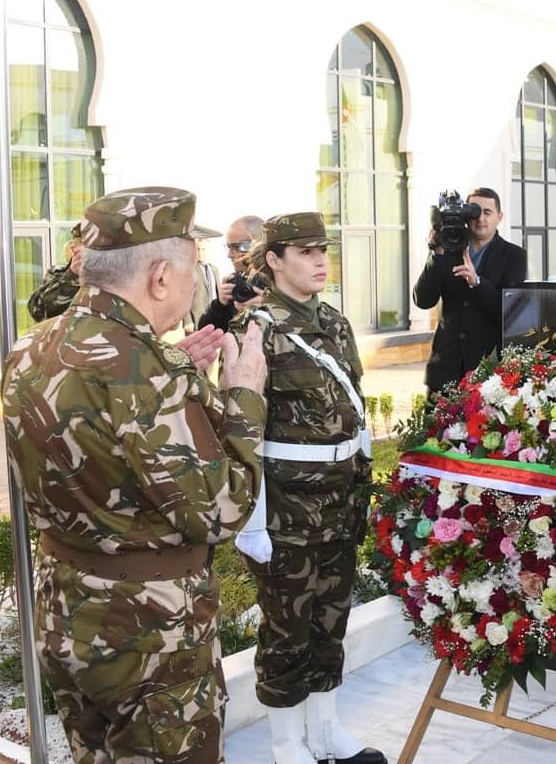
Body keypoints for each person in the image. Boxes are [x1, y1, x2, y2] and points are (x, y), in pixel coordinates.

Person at [1, 187, 267, 763]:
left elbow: (94, 433)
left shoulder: (31, 346)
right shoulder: (142, 372)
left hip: (66, 608)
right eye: (194, 266)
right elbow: (222, 510)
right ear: (162, 277)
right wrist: (244, 394)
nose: (197, 280)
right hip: (149, 630)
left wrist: (173, 372)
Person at [230, 212, 385, 764]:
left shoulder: (336, 324)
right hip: (288, 511)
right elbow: (241, 431)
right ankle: (285, 743)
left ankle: (325, 732)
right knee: (286, 628)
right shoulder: (254, 329)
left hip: (340, 503)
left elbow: (354, 414)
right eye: (304, 251)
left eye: (323, 250)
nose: (320, 260)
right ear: (273, 260)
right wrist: (252, 522)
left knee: (329, 620)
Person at [412, 187, 527, 394]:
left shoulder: (514, 256)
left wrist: (477, 283)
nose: (480, 218)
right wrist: (436, 255)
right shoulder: (447, 250)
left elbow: (509, 314)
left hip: (488, 374)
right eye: (475, 211)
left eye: (487, 212)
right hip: (444, 371)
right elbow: (422, 300)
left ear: (500, 217)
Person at [198, 215, 266, 334]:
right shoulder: (236, 284)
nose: (229, 255)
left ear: (258, 243)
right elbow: (206, 332)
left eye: (236, 247)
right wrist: (220, 305)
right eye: (228, 247)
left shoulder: (285, 283)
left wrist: (270, 308)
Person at [26, 223, 83, 323]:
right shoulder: (58, 273)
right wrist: (72, 275)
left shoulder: (112, 274)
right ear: (74, 250)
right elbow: (39, 310)